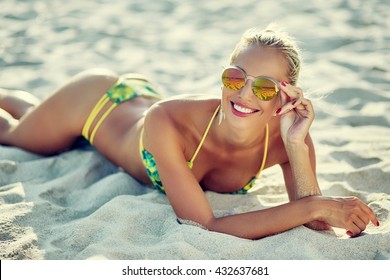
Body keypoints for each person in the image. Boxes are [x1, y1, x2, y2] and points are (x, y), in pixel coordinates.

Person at [0, 25, 379, 239]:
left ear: (286, 95)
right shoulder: (166, 119)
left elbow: (311, 220)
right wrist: (316, 206)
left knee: (30, 117)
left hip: (132, 101)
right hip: (95, 103)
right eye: (235, 77)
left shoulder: (290, 135)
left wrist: (297, 146)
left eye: (263, 87)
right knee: (16, 136)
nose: (244, 94)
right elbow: (205, 224)